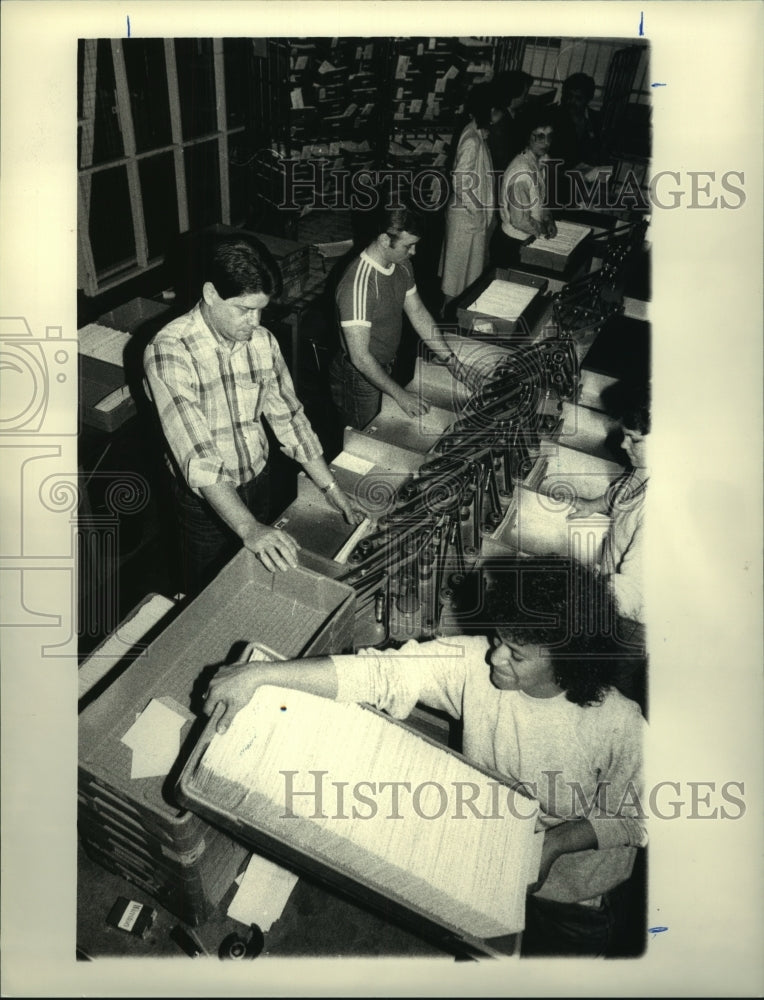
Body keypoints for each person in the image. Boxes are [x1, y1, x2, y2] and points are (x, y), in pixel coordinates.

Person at [204, 558, 646, 957]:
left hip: (571, 896)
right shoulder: (473, 663)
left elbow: (643, 812)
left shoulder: (615, 724)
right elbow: (383, 673)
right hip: (486, 849)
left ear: (566, 662)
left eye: (516, 653)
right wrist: (260, 674)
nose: (495, 656)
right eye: (498, 638)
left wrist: (555, 844)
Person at [144, 233, 359, 596]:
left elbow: (289, 419)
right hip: (207, 503)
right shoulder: (169, 351)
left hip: (260, 481)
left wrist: (331, 486)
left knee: (258, 584)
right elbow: (199, 460)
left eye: (260, 309)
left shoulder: (262, 341)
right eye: (244, 309)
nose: (255, 321)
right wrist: (249, 528)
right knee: (211, 594)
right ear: (211, 294)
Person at [329, 205, 459, 431]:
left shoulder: (401, 264)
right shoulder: (358, 286)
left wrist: (451, 361)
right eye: (408, 246)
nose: (414, 252)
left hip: (385, 364)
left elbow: (418, 313)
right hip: (360, 376)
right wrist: (401, 395)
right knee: (364, 437)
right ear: (383, 240)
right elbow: (360, 357)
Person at [567, 387, 649, 639]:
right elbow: (625, 494)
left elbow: (635, 589)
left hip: (628, 616)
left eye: (634, 439)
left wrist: (584, 603)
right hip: (610, 579)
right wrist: (594, 505)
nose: (623, 444)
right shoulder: (647, 465)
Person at [439, 82, 496, 307]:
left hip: (469, 216)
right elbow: (460, 180)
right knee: (456, 278)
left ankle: (452, 313)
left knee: (464, 275)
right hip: (466, 218)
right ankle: (447, 316)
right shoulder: (472, 140)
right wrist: (477, 210)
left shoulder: (477, 135)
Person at [490, 112, 558, 268]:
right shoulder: (521, 171)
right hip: (510, 245)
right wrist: (542, 230)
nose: (546, 142)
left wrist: (548, 219)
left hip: (526, 240)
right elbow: (519, 220)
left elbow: (540, 199)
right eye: (540, 136)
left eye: (550, 136)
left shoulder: (539, 162)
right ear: (527, 137)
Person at [550, 73, 606, 209]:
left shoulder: (596, 120)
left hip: (583, 183)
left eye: (578, 98)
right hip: (555, 181)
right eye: (568, 96)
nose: (571, 101)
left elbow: (600, 151)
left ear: (588, 99)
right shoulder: (552, 116)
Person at [486, 70, 534, 175]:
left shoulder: (514, 113)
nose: (526, 97)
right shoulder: (500, 119)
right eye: (525, 93)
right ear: (514, 93)